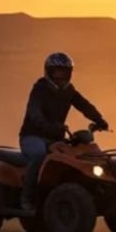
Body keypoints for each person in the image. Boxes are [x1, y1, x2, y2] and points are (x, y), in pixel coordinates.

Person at [18, 52, 109, 211]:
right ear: (49, 72)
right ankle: (28, 197)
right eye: (57, 72)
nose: (61, 77)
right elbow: (34, 112)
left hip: (55, 139)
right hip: (32, 136)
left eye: (64, 72)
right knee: (39, 156)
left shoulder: (69, 90)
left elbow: (84, 105)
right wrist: (45, 125)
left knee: (79, 153)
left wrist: (99, 119)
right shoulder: (40, 89)